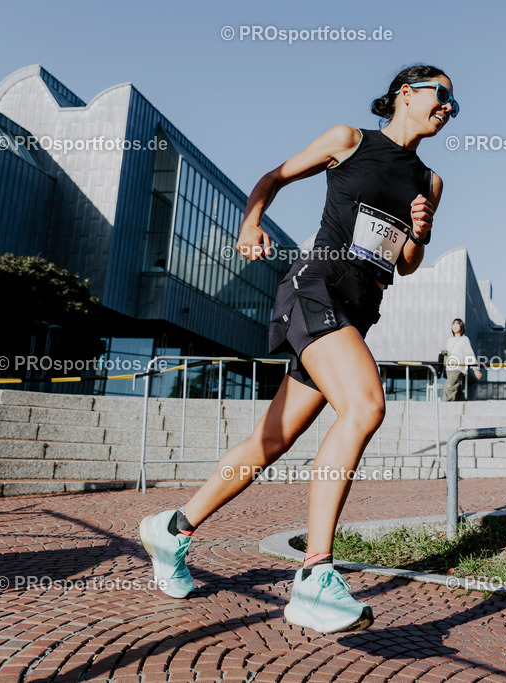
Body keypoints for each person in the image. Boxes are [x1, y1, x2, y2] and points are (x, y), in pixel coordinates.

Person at [137, 64, 457, 634]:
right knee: (365, 406)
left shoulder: (431, 183)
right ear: (406, 94)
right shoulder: (349, 141)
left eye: (456, 105)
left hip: (356, 313)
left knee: (272, 441)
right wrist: (252, 222)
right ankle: (314, 575)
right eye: (443, 96)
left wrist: (421, 235)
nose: (449, 109)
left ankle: (173, 528)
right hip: (313, 289)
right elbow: (273, 177)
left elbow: (402, 265)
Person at [442, 318, 481, 401]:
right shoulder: (449, 340)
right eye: (453, 324)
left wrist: (475, 369)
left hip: (458, 368)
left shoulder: (464, 339)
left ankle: (442, 410)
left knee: (448, 389)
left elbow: (469, 354)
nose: (455, 326)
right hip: (449, 368)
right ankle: (465, 407)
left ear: (461, 326)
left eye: (457, 324)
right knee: (458, 392)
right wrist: (444, 353)